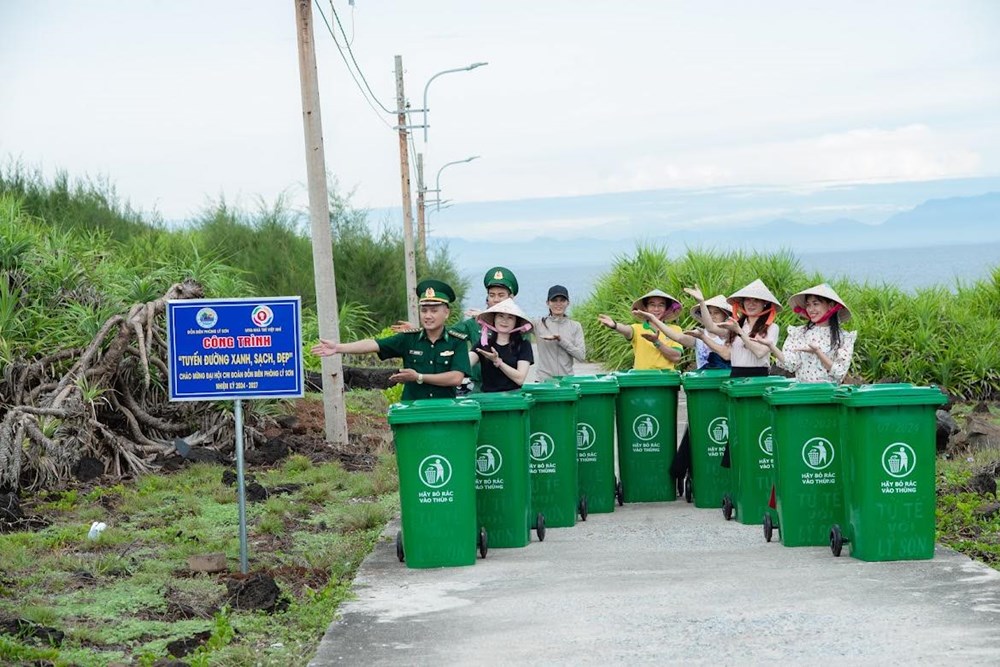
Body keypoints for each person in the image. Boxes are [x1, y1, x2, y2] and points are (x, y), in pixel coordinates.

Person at [311, 279, 471, 401]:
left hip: (446, 410)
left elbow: (456, 378)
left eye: (434, 311)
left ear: (447, 313)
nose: (428, 316)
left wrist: (419, 377)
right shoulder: (409, 339)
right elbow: (373, 344)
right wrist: (338, 348)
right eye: (424, 310)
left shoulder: (457, 342)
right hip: (412, 409)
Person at [686, 279, 781, 378]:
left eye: (756, 300)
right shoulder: (737, 325)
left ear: (764, 303)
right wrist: (701, 302)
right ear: (743, 303)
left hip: (758, 377)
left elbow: (760, 352)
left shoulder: (772, 327)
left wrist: (739, 332)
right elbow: (711, 327)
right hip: (735, 375)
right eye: (747, 300)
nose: (751, 304)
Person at [766, 283, 856, 383]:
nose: (811, 309)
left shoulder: (844, 338)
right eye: (808, 305)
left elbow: (840, 373)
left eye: (815, 304)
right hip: (804, 393)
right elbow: (791, 365)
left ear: (830, 306)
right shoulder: (798, 333)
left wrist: (818, 352)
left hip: (828, 395)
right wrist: (771, 346)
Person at [597, 289, 684, 370]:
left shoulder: (675, 330)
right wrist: (614, 325)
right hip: (641, 379)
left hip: (667, 380)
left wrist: (656, 342)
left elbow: (676, 357)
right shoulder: (637, 328)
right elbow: (626, 330)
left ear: (666, 309)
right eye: (652, 305)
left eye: (661, 305)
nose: (656, 309)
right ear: (645, 308)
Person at [469, 298, 534, 392]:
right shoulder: (484, 343)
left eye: (510, 317)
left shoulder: (523, 345)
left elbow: (520, 379)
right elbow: (466, 362)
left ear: (516, 322)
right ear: (494, 319)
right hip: (488, 398)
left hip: (514, 399)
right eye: (500, 316)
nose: (504, 321)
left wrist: (498, 362)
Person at [534, 284, 586, 381]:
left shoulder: (575, 326)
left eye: (562, 300)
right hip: (543, 381)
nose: (558, 304)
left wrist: (561, 340)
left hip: (567, 381)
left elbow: (581, 356)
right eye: (554, 300)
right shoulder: (538, 324)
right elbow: (517, 321)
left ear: (568, 303)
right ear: (548, 303)